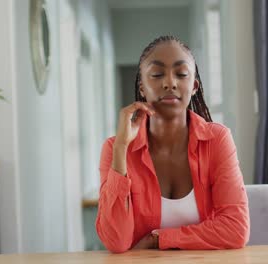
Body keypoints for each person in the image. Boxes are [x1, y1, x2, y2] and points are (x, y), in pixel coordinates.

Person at [95, 36, 250, 253]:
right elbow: (116, 241)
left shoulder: (217, 141)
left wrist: (158, 240)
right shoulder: (114, 148)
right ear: (142, 87)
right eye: (157, 74)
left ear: (194, 86)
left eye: (181, 74)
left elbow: (235, 229)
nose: (170, 82)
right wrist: (121, 148)